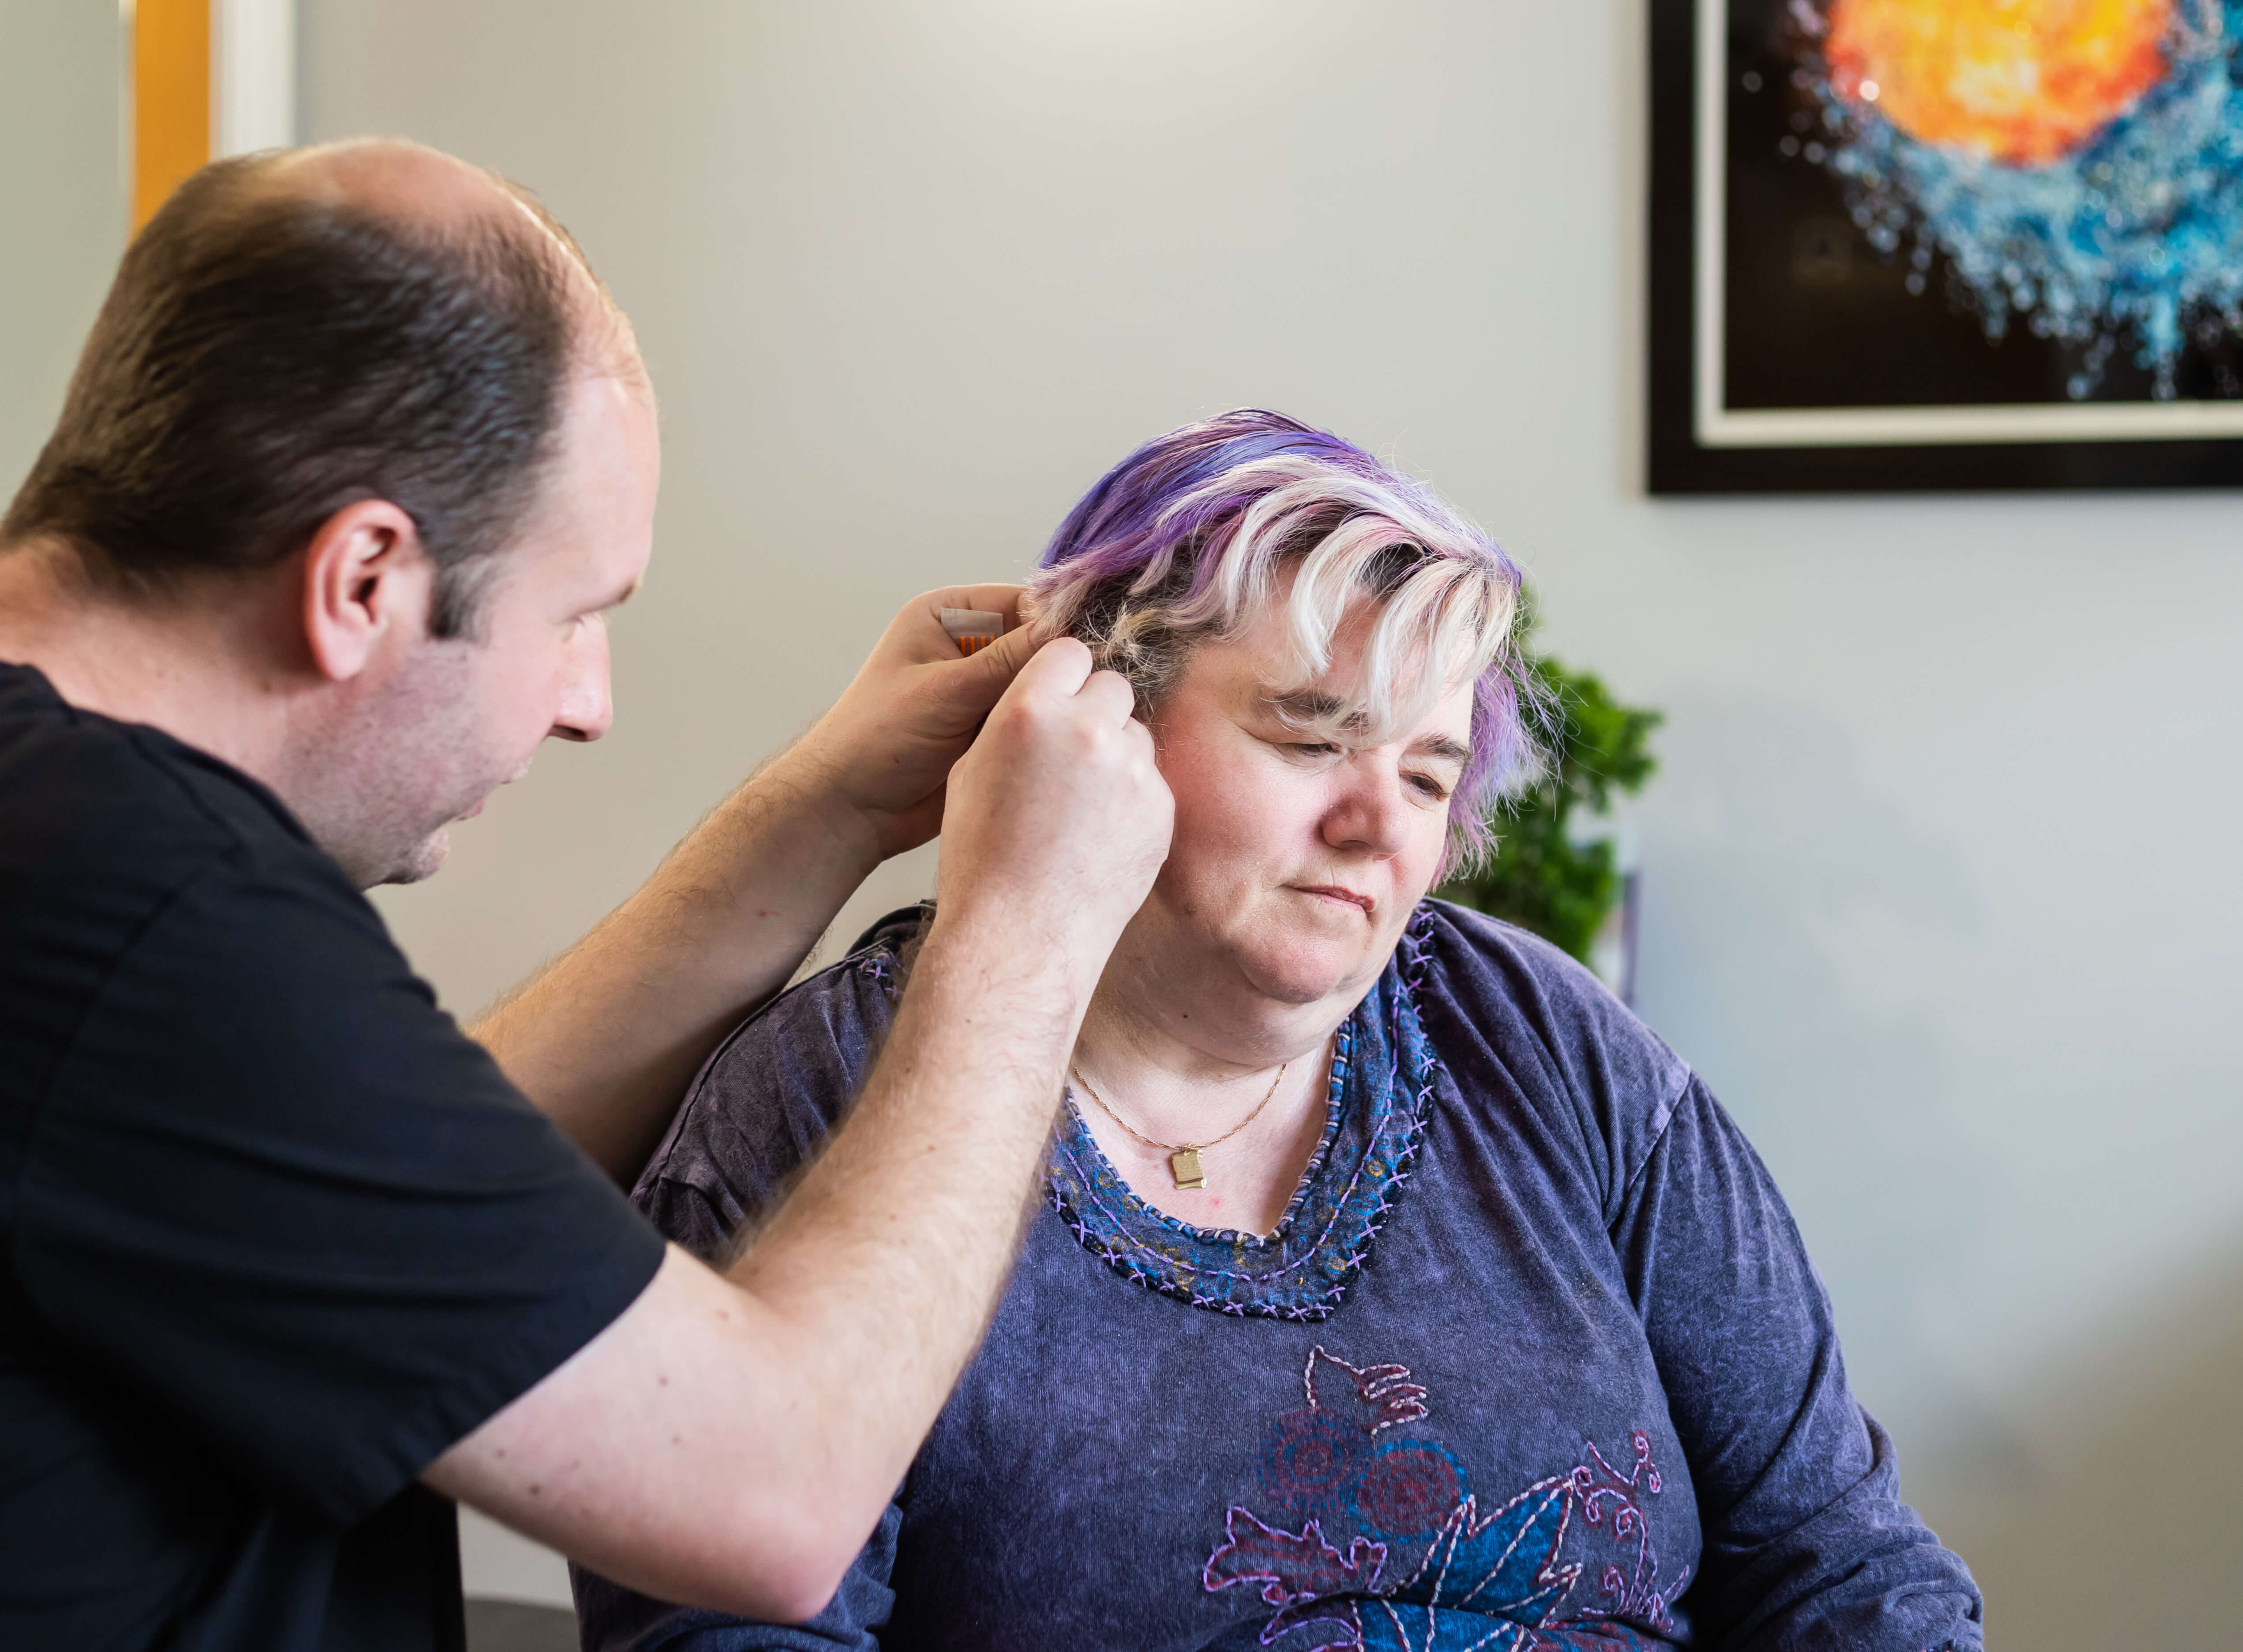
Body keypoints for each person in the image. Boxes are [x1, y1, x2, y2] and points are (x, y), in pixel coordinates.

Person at [0, 140, 1175, 1650]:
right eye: (575, 617)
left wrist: (828, 809)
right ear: (364, 576)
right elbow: (775, 1492)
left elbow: (359, 1201)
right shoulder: (121, 914)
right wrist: (1026, 928)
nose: (589, 705)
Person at [573, 410, 1986, 1650]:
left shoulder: (1547, 1047)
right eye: (1311, 740)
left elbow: (1841, 1563)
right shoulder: (820, 1104)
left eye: (1429, 772)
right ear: (1088, 728)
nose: (1379, 825)